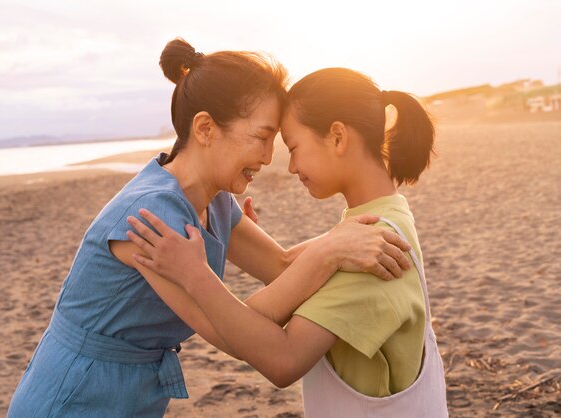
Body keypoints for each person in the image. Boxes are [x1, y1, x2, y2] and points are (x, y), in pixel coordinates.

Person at [6, 40, 412, 417]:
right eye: (262, 137)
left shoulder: (215, 199)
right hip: (74, 394)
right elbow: (226, 330)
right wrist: (330, 250)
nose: (270, 158)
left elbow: (282, 263)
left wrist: (342, 239)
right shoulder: (149, 216)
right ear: (205, 129)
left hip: (136, 391)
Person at [127, 67, 449, 417]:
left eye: (293, 148)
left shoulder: (373, 250)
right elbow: (298, 276)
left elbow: (282, 359)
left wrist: (195, 274)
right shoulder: (379, 219)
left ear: (338, 137)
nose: (290, 166)